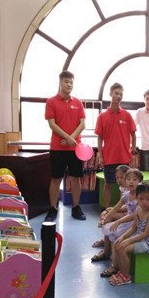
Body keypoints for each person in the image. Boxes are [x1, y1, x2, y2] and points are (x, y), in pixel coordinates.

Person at [44, 71, 87, 221]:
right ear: (60, 83)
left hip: (75, 148)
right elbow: (52, 124)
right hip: (57, 148)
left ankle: (76, 208)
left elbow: (82, 124)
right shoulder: (51, 101)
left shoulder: (78, 102)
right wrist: (67, 137)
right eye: (66, 81)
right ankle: (53, 209)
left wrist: (71, 138)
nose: (69, 84)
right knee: (56, 179)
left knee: (76, 179)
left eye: (71, 82)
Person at [109, 183, 149, 286]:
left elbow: (145, 234)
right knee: (116, 244)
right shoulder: (138, 209)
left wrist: (128, 241)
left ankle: (126, 277)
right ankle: (122, 271)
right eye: (141, 199)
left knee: (123, 249)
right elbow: (134, 228)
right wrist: (123, 237)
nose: (144, 202)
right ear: (136, 198)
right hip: (139, 237)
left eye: (148, 199)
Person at [95, 83, 137, 209]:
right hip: (109, 157)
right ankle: (107, 209)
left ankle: (122, 210)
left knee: (124, 186)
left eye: (121, 94)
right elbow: (100, 137)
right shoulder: (102, 116)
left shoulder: (127, 115)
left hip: (124, 157)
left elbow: (133, 134)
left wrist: (133, 151)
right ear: (110, 94)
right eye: (116, 93)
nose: (118, 96)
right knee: (108, 184)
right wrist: (100, 155)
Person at [92, 169, 142, 272]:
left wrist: (119, 221)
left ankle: (114, 266)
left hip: (136, 225)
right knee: (108, 228)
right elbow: (115, 208)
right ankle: (106, 253)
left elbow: (135, 216)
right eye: (128, 179)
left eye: (134, 179)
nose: (131, 182)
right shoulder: (126, 195)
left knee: (115, 235)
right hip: (127, 222)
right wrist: (105, 219)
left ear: (140, 181)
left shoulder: (140, 196)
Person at [92, 164, 130, 248]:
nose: (119, 180)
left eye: (122, 177)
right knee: (104, 214)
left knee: (108, 217)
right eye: (117, 177)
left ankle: (106, 244)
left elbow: (128, 207)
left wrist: (114, 210)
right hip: (124, 211)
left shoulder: (131, 190)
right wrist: (112, 209)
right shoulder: (122, 188)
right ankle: (105, 240)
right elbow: (121, 203)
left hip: (129, 214)